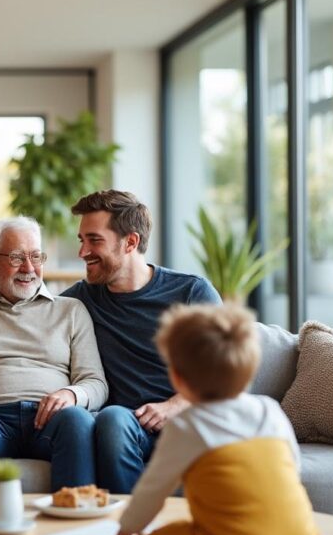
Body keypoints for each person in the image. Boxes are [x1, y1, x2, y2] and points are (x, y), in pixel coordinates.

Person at [110, 304, 315, 535]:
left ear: (177, 378)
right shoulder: (269, 409)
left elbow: (154, 489)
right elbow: (293, 467)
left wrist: (126, 531)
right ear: (251, 369)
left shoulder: (188, 425)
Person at [62, 190, 220, 493]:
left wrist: (173, 406)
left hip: (185, 422)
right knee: (112, 418)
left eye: (94, 240)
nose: (82, 252)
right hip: (121, 428)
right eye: (81, 240)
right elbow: (31, 316)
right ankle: (124, 530)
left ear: (130, 242)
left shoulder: (191, 293)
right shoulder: (80, 300)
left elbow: (221, 373)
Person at [0, 217, 107, 494]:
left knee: (77, 419)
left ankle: (74, 525)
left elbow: (95, 382)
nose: (29, 268)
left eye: (35, 256)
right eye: (17, 257)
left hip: (53, 420)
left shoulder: (71, 310)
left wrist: (71, 394)